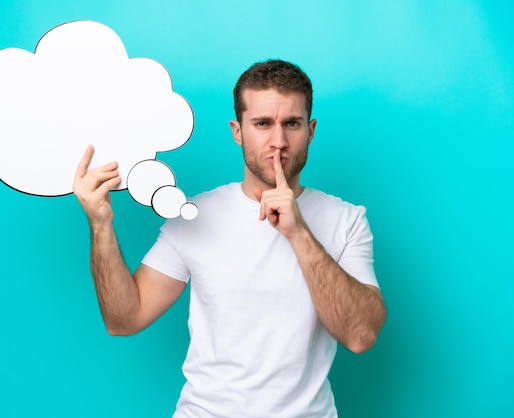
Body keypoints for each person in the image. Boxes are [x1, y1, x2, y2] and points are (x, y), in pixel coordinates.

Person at [73, 59, 387, 418]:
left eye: (292, 124)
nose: (279, 141)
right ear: (238, 131)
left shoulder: (346, 220)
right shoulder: (193, 216)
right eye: (263, 124)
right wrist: (101, 224)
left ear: (310, 130)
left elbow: (361, 335)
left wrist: (298, 232)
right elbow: (124, 319)